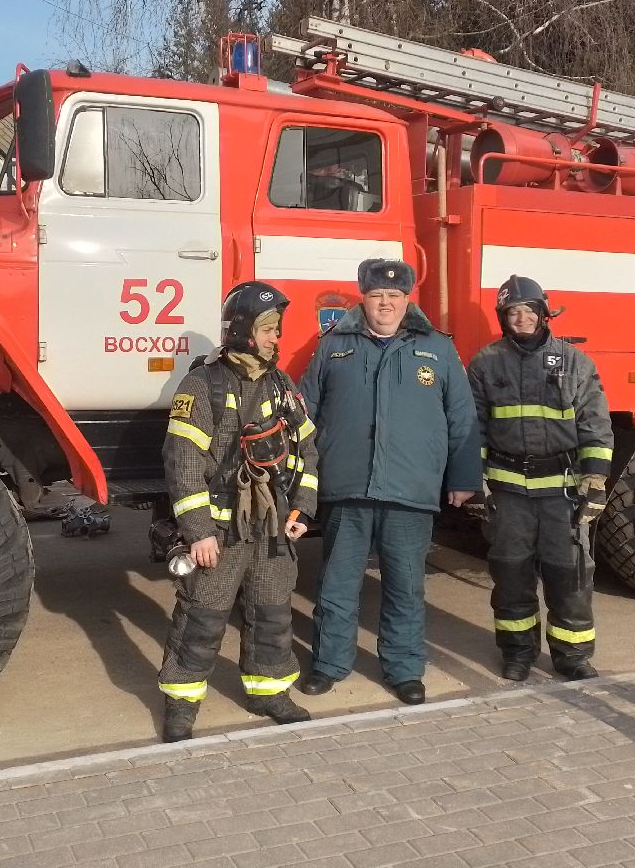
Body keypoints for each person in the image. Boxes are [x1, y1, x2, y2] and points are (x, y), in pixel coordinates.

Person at [296, 258, 480, 705]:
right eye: (378, 295)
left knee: (404, 587)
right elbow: (304, 415)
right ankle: (329, 664)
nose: (386, 303)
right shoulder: (334, 345)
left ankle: (403, 669)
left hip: (410, 489)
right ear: (364, 297)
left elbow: (462, 416)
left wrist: (463, 476)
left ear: (406, 300)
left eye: (395, 296)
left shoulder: (437, 347)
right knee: (337, 584)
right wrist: (304, 480)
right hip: (347, 487)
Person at [156, 281, 320, 742]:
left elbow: (308, 451)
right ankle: (182, 705)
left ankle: (269, 692)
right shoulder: (202, 385)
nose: (275, 338)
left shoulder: (281, 385)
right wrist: (198, 532)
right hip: (220, 532)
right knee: (201, 619)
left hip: (272, 529)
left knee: (273, 614)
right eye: (268, 329)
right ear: (244, 330)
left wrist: (302, 510)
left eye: (277, 329)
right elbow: (183, 464)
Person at [467, 275, 613, 683]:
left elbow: (596, 425)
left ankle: (572, 656)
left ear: (544, 313)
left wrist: (596, 482)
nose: (521, 319)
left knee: (570, 576)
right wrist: (474, 483)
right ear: (503, 318)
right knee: (511, 576)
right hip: (508, 490)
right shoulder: (485, 362)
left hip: (562, 492)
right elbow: (472, 429)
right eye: (513, 312)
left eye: (528, 310)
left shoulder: (574, 362)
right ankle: (517, 652)